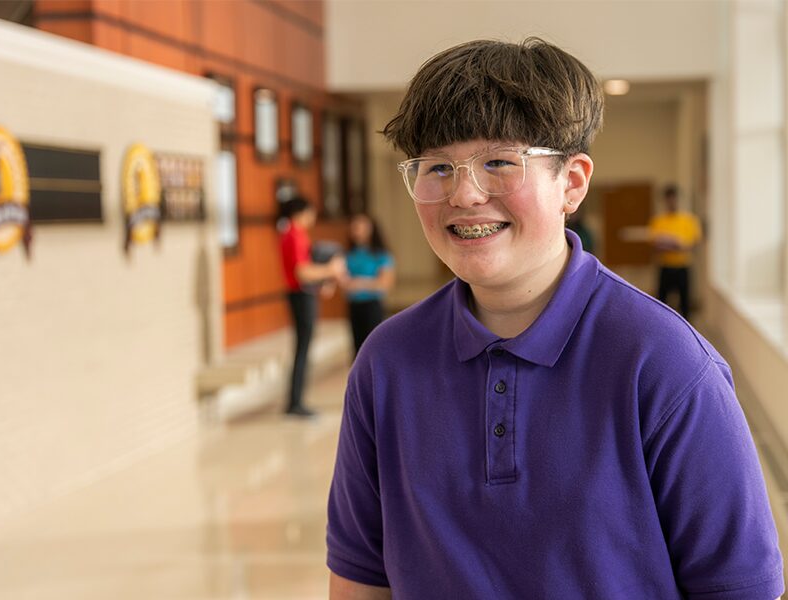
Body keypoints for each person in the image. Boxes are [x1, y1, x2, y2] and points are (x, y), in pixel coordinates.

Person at [326, 38, 784, 599]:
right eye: (438, 167)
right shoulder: (387, 362)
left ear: (572, 182)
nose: (464, 194)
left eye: (499, 162)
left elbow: (738, 587)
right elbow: (359, 577)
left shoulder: (666, 363)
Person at [279, 195, 346, 417]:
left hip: (301, 293)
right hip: (300, 295)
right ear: (303, 212)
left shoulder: (292, 233)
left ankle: (296, 400)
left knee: (303, 347)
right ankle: (295, 402)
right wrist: (331, 270)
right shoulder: (294, 234)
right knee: (303, 349)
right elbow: (303, 272)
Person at [344, 213, 396, 356]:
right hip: (354, 305)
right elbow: (344, 281)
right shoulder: (349, 254)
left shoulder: (381, 255)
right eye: (354, 227)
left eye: (361, 227)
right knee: (357, 349)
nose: (357, 230)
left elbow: (385, 283)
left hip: (372, 305)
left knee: (372, 347)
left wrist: (359, 283)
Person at [649, 184, 702, 320]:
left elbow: (692, 245)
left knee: (685, 303)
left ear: (679, 200)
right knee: (662, 303)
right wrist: (677, 245)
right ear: (665, 201)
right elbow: (656, 245)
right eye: (669, 199)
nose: (672, 202)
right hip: (665, 267)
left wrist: (674, 244)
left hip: (683, 267)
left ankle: (686, 328)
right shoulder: (658, 221)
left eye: (674, 199)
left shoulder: (689, 220)